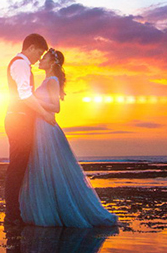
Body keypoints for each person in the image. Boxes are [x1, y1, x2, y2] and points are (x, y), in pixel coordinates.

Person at [18, 49, 117, 228]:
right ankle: (49, 209)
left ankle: (61, 212)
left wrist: (33, 101)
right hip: (40, 127)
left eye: (44, 58)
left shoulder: (52, 80)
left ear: (52, 63)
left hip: (47, 128)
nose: (40, 60)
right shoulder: (47, 80)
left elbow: (56, 107)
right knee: (44, 169)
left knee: (53, 169)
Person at [3, 33, 52, 225]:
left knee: (20, 167)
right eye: (39, 53)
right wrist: (44, 113)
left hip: (19, 120)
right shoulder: (20, 64)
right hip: (18, 120)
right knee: (16, 168)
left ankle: (16, 213)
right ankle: (12, 215)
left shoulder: (22, 64)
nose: (39, 58)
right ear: (31, 47)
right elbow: (24, 95)